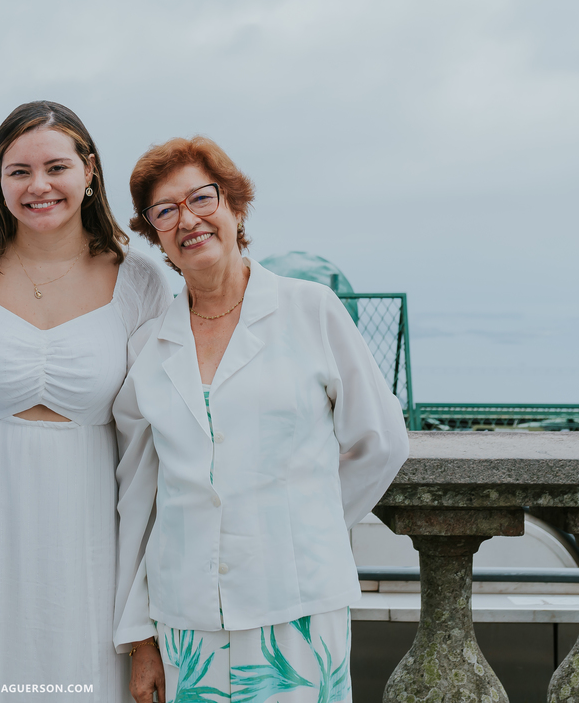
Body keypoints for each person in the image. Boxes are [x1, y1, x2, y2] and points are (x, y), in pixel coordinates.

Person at [112, 137, 410, 703]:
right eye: (165, 211)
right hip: (186, 621)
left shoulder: (311, 310)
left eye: (202, 199)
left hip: (296, 607)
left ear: (236, 206)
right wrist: (139, 636)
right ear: (155, 235)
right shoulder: (149, 347)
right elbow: (140, 496)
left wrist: (302, 521)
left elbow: (381, 441)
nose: (188, 220)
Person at [0, 101, 172, 701]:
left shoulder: (139, 281)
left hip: (91, 530)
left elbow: (156, 446)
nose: (39, 187)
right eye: (18, 172)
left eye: (56, 167)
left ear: (88, 171)